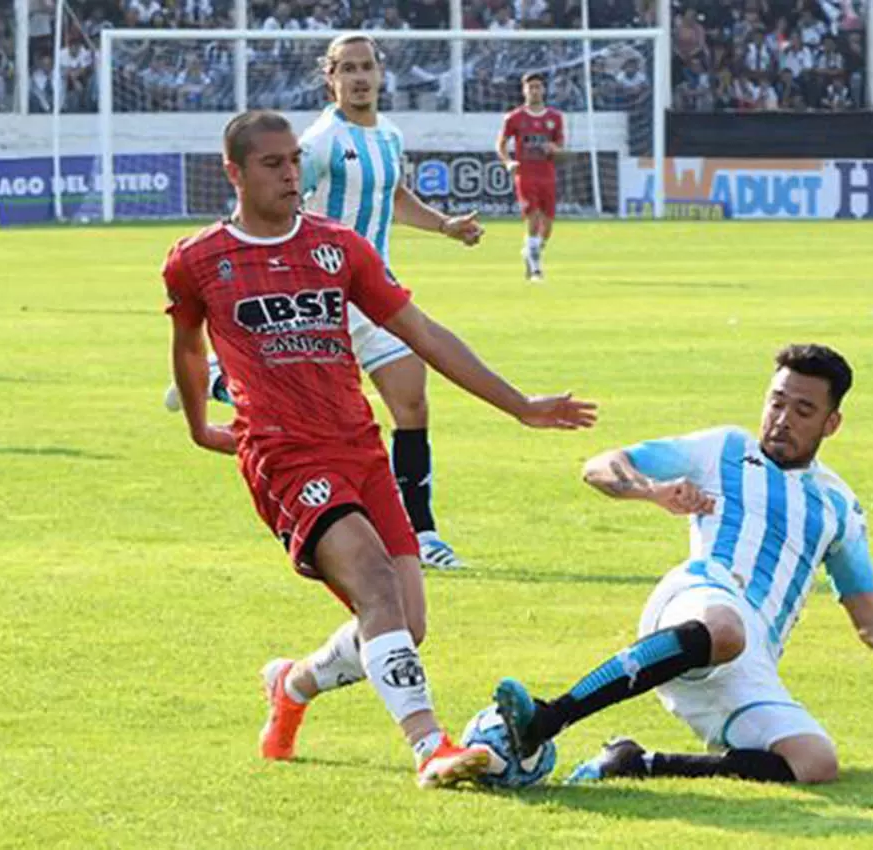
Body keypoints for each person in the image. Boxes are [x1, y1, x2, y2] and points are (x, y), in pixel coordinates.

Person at [164, 110, 596, 788]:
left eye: (293, 162)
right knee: (374, 584)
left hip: (360, 450)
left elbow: (422, 332)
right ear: (235, 172)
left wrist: (520, 405)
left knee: (405, 621)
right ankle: (431, 745)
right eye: (273, 163)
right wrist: (197, 425)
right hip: (285, 455)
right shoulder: (198, 260)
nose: (289, 174)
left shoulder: (340, 248)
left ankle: (293, 684)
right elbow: (188, 351)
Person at [486, 345, 873, 785]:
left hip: (748, 656)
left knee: (815, 761)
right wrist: (651, 491)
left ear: (832, 422)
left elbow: (872, 620)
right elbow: (599, 465)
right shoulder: (724, 449)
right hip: (699, 596)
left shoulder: (839, 506)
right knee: (725, 626)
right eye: (776, 402)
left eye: (803, 410)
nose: (782, 419)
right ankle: (546, 718)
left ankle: (636, 763)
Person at [166, 33, 486, 572]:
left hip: (374, 289)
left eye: (367, 67)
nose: (360, 77)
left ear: (381, 74)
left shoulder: (388, 136)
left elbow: (393, 195)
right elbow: (268, 201)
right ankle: (221, 377)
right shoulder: (317, 144)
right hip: (317, 297)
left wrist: (446, 226)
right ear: (330, 78)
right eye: (348, 69)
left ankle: (422, 530)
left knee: (412, 403)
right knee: (317, 414)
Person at [496, 72, 564, 281]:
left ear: (543, 90)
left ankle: (531, 251)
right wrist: (508, 162)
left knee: (548, 224)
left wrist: (553, 147)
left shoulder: (555, 118)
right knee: (533, 218)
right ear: (524, 90)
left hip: (547, 175)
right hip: (526, 175)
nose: (534, 91)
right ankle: (536, 269)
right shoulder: (514, 118)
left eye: (538, 87)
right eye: (530, 87)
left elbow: (560, 147)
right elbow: (500, 144)